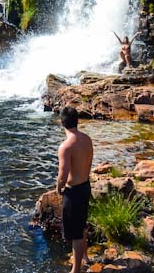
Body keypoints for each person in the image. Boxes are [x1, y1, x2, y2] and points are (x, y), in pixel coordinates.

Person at [56, 106, 94, 273]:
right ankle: (85, 257)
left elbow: (63, 175)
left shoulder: (65, 146)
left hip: (74, 192)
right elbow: (89, 162)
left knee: (75, 233)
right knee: (82, 225)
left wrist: (59, 187)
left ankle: (75, 270)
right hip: (85, 186)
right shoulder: (87, 139)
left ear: (61, 122)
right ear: (77, 121)